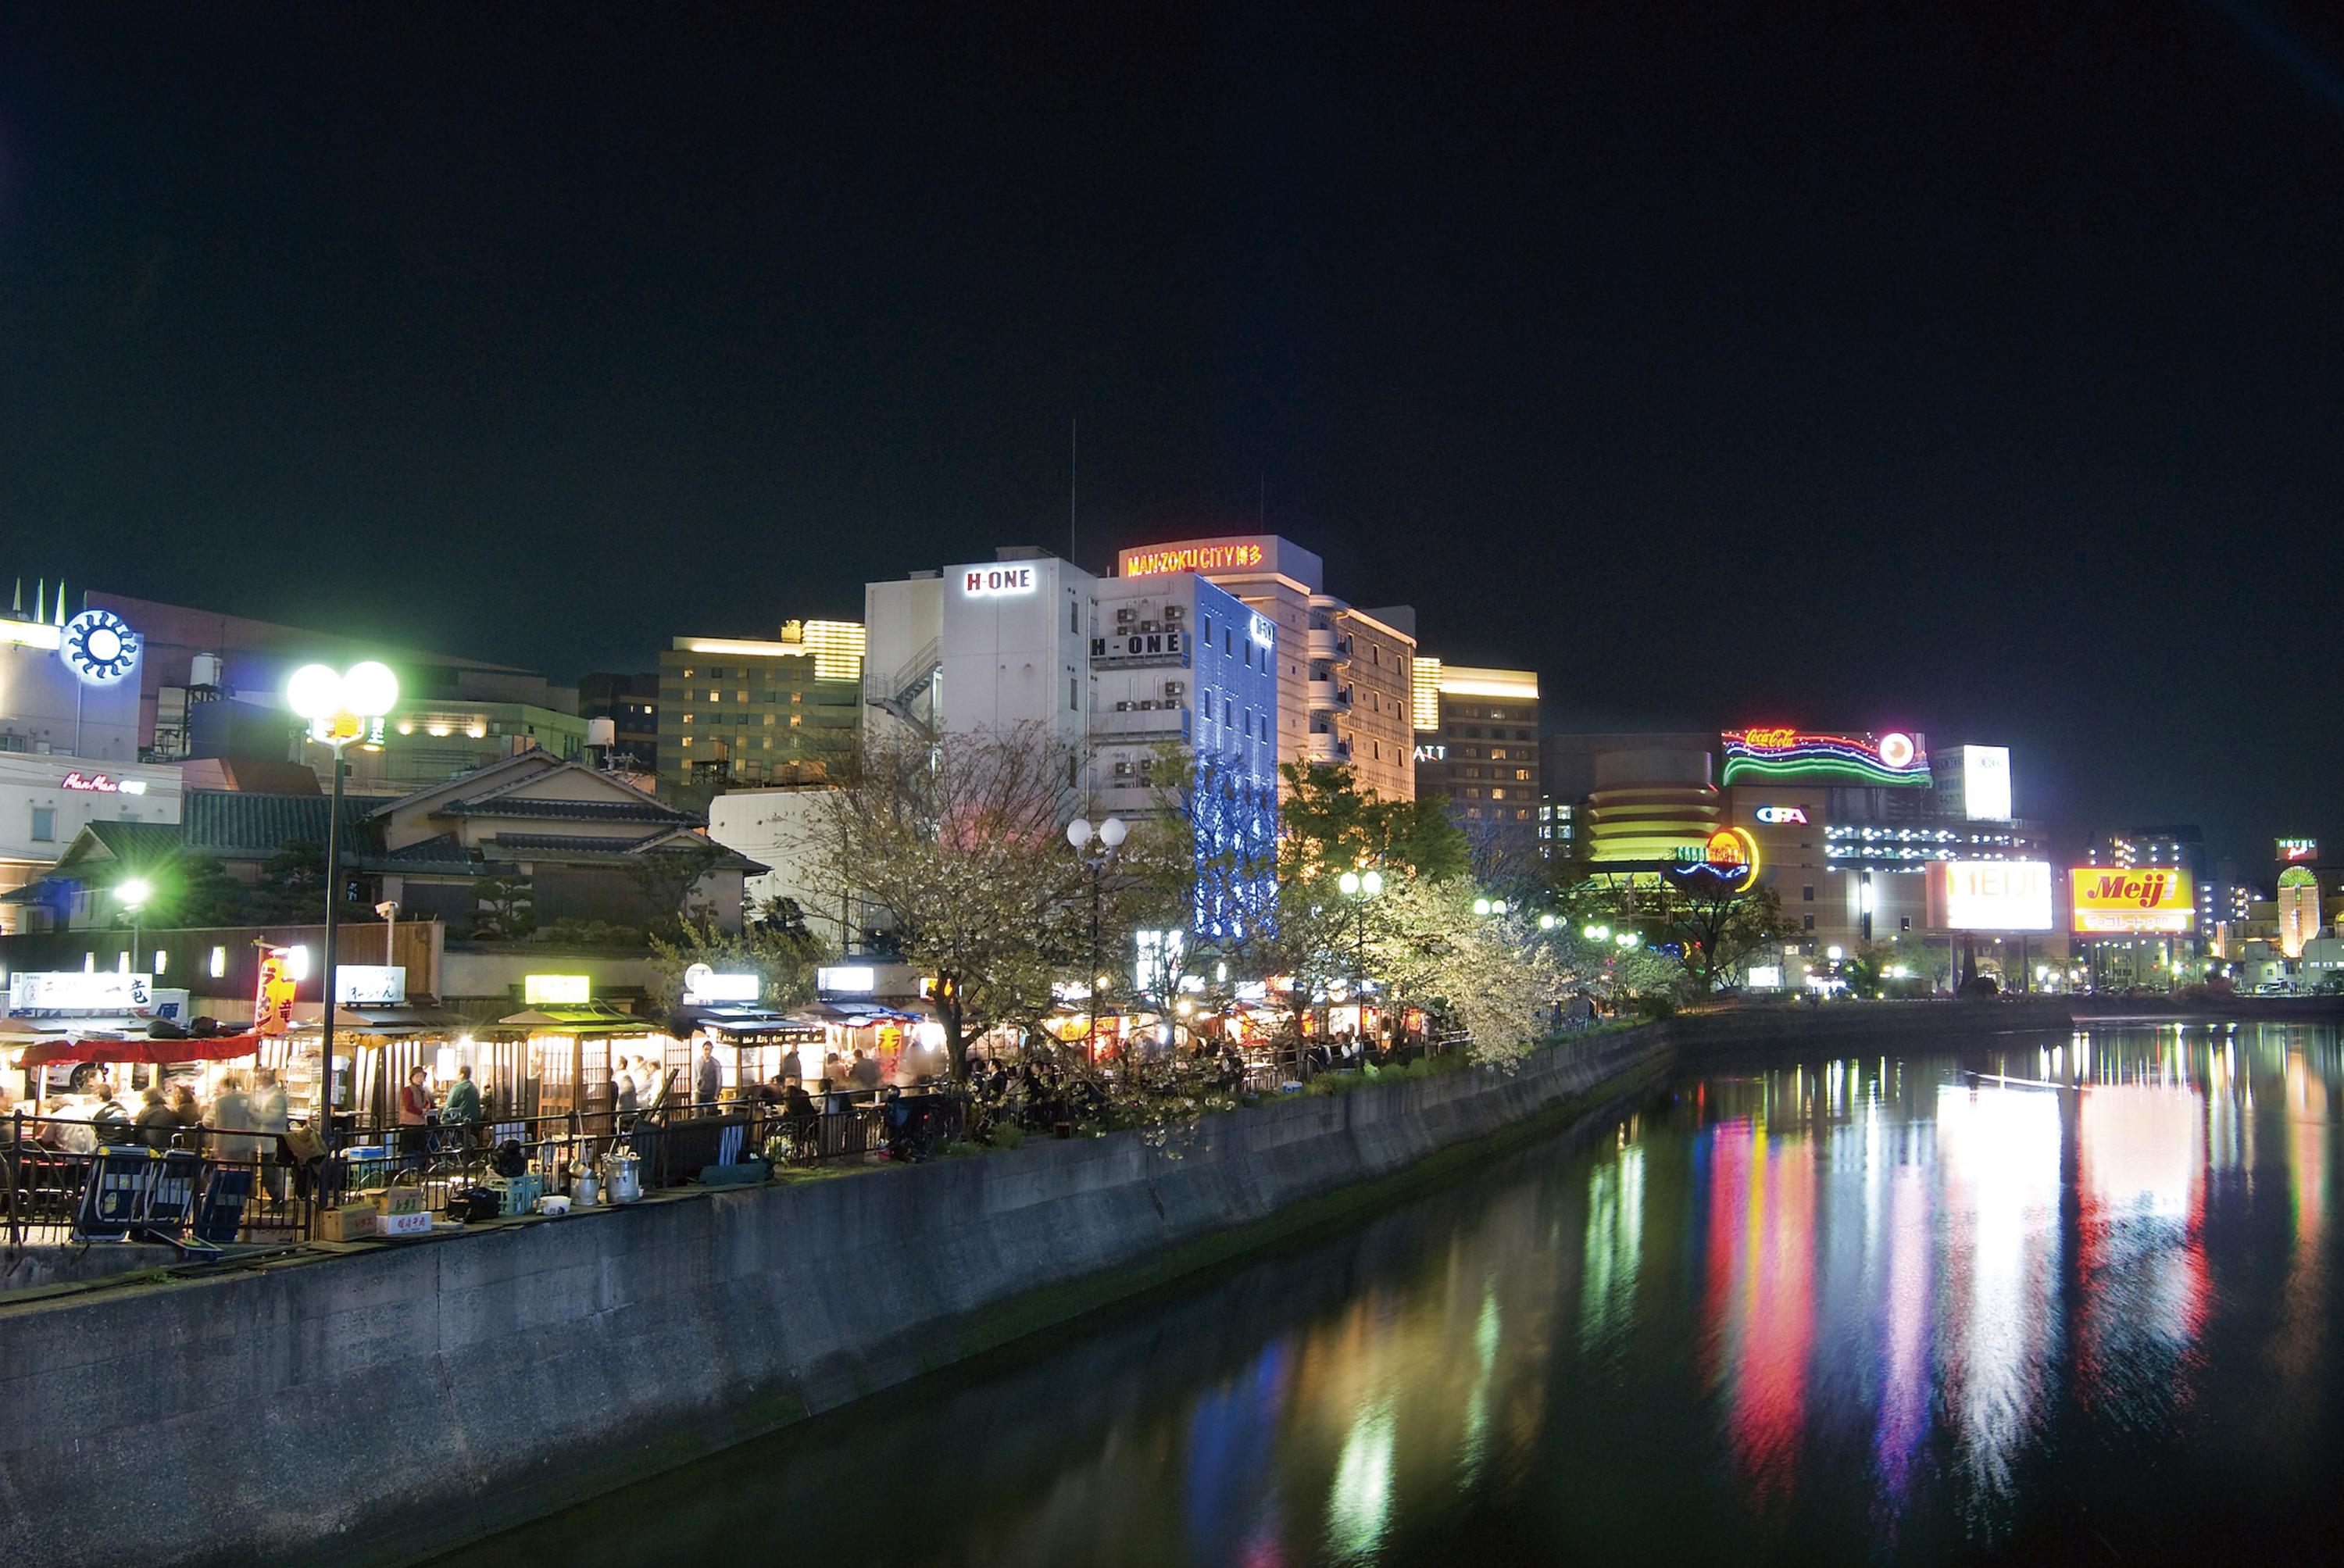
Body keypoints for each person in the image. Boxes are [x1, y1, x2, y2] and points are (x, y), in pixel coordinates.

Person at [248, 1068, 291, 1199]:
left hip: (272, 1140)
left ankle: (277, 1199)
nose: (257, 1081)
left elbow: (273, 1118)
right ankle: (272, 1197)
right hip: (263, 1140)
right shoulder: (265, 1094)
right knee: (266, 1170)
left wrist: (253, 1115)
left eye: (259, 1078)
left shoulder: (276, 1096)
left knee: (270, 1172)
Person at [210, 1073, 258, 1164]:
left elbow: (220, 1125)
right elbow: (253, 1120)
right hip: (245, 1141)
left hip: (227, 1142)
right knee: (242, 1169)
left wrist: (216, 1146)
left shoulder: (221, 1102)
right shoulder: (248, 1099)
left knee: (228, 1169)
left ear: (224, 1086)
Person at [397, 1067, 434, 1169]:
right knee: (409, 1149)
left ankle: (417, 1170)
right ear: (412, 1077)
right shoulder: (408, 1090)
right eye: (417, 1076)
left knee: (420, 1148)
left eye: (421, 1076)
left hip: (420, 1123)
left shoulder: (423, 1090)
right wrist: (421, 1111)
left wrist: (426, 1108)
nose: (419, 1079)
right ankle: (408, 1171)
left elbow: (427, 1103)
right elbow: (409, 1106)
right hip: (409, 1123)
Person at [442, 1064, 482, 1148]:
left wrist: (443, 1117)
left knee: (442, 1126)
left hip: (460, 1120)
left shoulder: (458, 1088)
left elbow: (449, 1105)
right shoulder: (474, 1088)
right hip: (475, 1120)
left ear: (462, 1075)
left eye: (457, 1073)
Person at [134, 1086, 180, 1150]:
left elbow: (138, 1128)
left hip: (151, 1145)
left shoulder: (147, 1110)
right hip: (168, 1144)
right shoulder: (169, 1109)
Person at [695, 1041, 723, 1107]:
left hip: (712, 1092)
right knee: (699, 1114)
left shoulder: (716, 1063)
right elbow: (695, 1077)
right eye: (706, 1049)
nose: (708, 1052)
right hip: (700, 1092)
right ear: (702, 1050)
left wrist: (716, 1094)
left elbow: (719, 1079)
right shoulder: (698, 1062)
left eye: (709, 1050)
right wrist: (695, 1090)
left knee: (711, 1114)